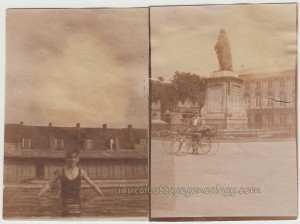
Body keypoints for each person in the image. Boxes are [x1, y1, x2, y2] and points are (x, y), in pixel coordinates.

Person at [37, 150, 104, 217]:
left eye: (75, 157)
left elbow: (92, 185)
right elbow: (49, 184)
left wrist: (102, 196)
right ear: (66, 159)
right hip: (64, 201)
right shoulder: (61, 172)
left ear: (78, 159)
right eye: (70, 157)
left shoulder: (81, 172)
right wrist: (38, 196)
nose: (72, 159)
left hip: (77, 202)